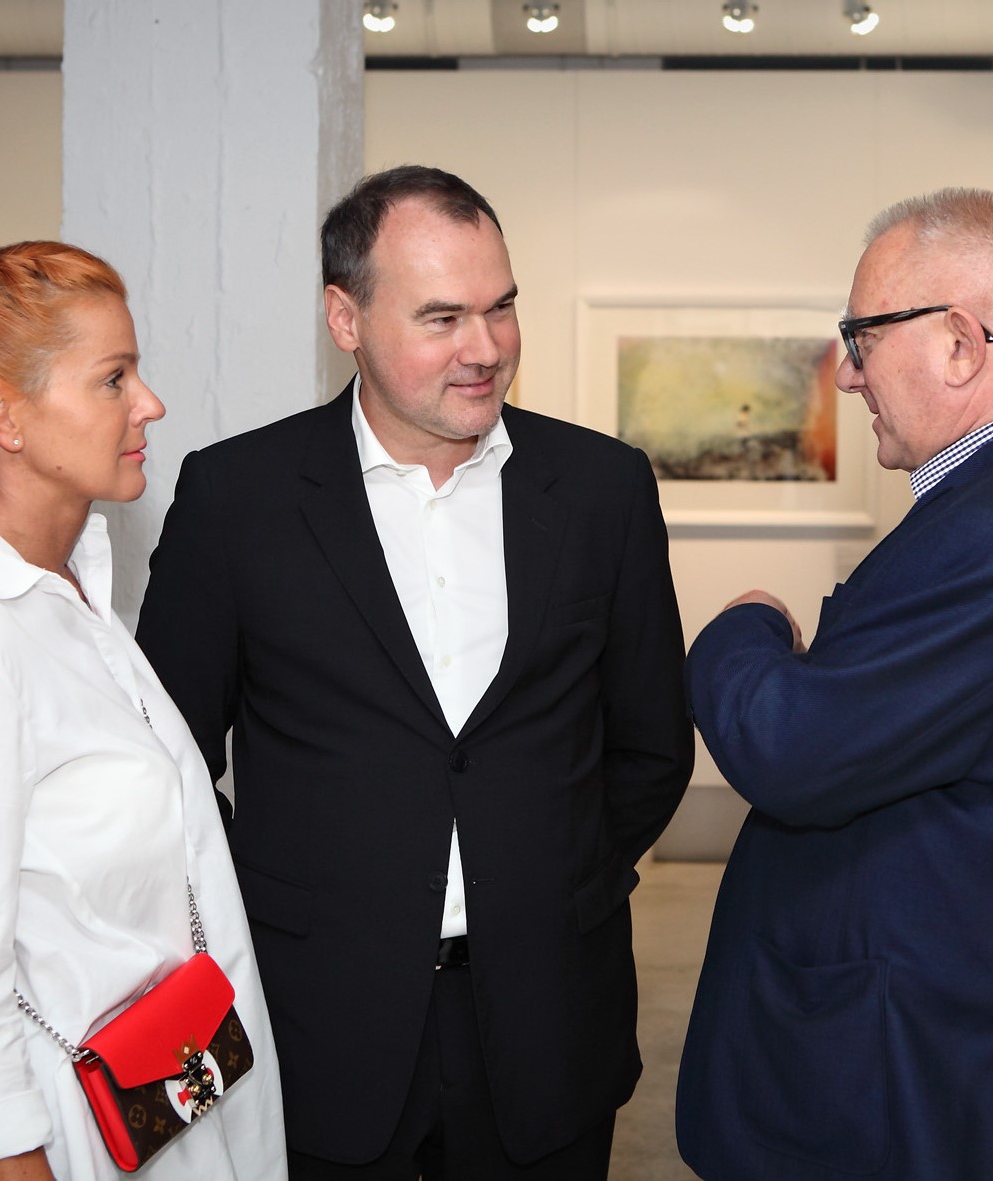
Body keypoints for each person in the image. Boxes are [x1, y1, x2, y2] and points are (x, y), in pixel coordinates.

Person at [135, 165, 694, 1180]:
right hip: (318, 1020)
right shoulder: (238, 498)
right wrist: (279, 897)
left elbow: (650, 744)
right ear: (344, 318)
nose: (485, 347)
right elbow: (162, 758)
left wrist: (555, 874)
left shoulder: (601, 488)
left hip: (549, 1019)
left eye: (500, 307)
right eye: (442, 317)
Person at [674, 189, 993, 1181]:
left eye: (861, 337)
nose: (846, 371)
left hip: (941, 1088)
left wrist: (743, 628)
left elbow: (790, 747)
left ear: (959, 343)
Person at [0, 242, 286, 1181]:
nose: (149, 403)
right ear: (4, 415)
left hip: (141, 1092)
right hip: (44, 1133)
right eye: (113, 378)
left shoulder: (65, 598)